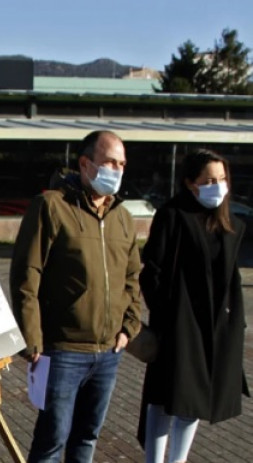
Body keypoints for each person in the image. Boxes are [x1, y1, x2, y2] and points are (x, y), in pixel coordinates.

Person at [10, 130, 142, 462]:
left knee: (86, 438)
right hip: (62, 349)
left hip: (108, 352)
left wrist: (129, 327)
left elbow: (132, 277)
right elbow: (27, 274)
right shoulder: (51, 207)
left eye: (122, 164)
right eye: (110, 162)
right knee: (52, 441)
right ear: (85, 164)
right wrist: (32, 339)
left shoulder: (122, 218)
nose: (118, 170)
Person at [137, 149, 249, 463]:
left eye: (222, 179)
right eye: (209, 180)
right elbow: (152, 271)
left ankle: (178, 459)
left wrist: (234, 322)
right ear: (190, 183)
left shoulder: (230, 224)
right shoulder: (173, 216)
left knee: (197, 398)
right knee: (164, 396)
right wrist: (167, 313)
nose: (218, 186)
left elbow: (231, 277)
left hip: (217, 327)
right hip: (179, 325)